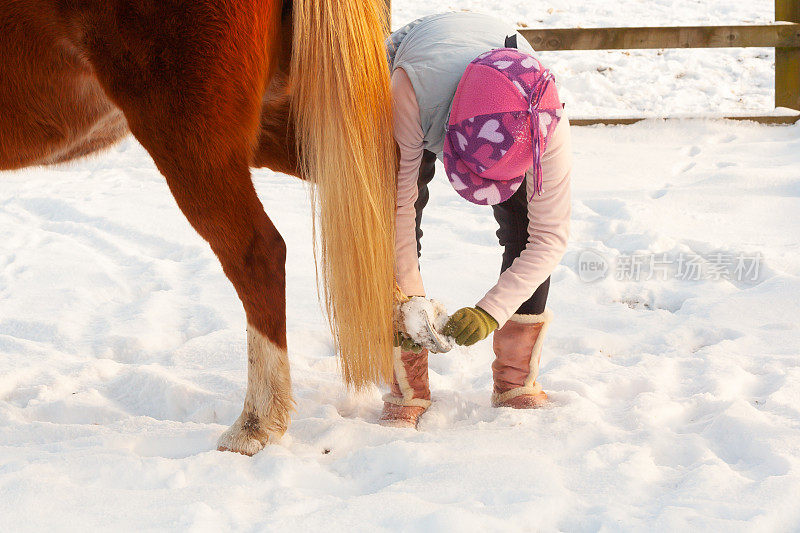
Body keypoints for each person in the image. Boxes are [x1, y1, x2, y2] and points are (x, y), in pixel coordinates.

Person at [380, 12, 572, 428]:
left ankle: (515, 380)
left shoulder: (545, 123)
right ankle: (407, 384)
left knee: (524, 227)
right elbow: (399, 207)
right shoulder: (410, 93)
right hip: (422, 78)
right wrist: (410, 301)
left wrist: (492, 310)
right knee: (394, 216)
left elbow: (549, 237)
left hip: (509, 107)